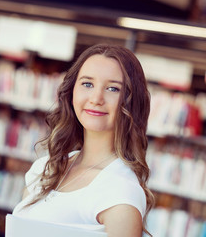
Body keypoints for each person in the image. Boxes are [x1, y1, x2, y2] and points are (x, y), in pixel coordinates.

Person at [12, 43, 155, 236]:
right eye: (87, 84)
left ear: (131, 101)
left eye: (113, 89)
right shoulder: (44, 167)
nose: (96, 98)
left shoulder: (120, 192)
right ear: (72, 92)